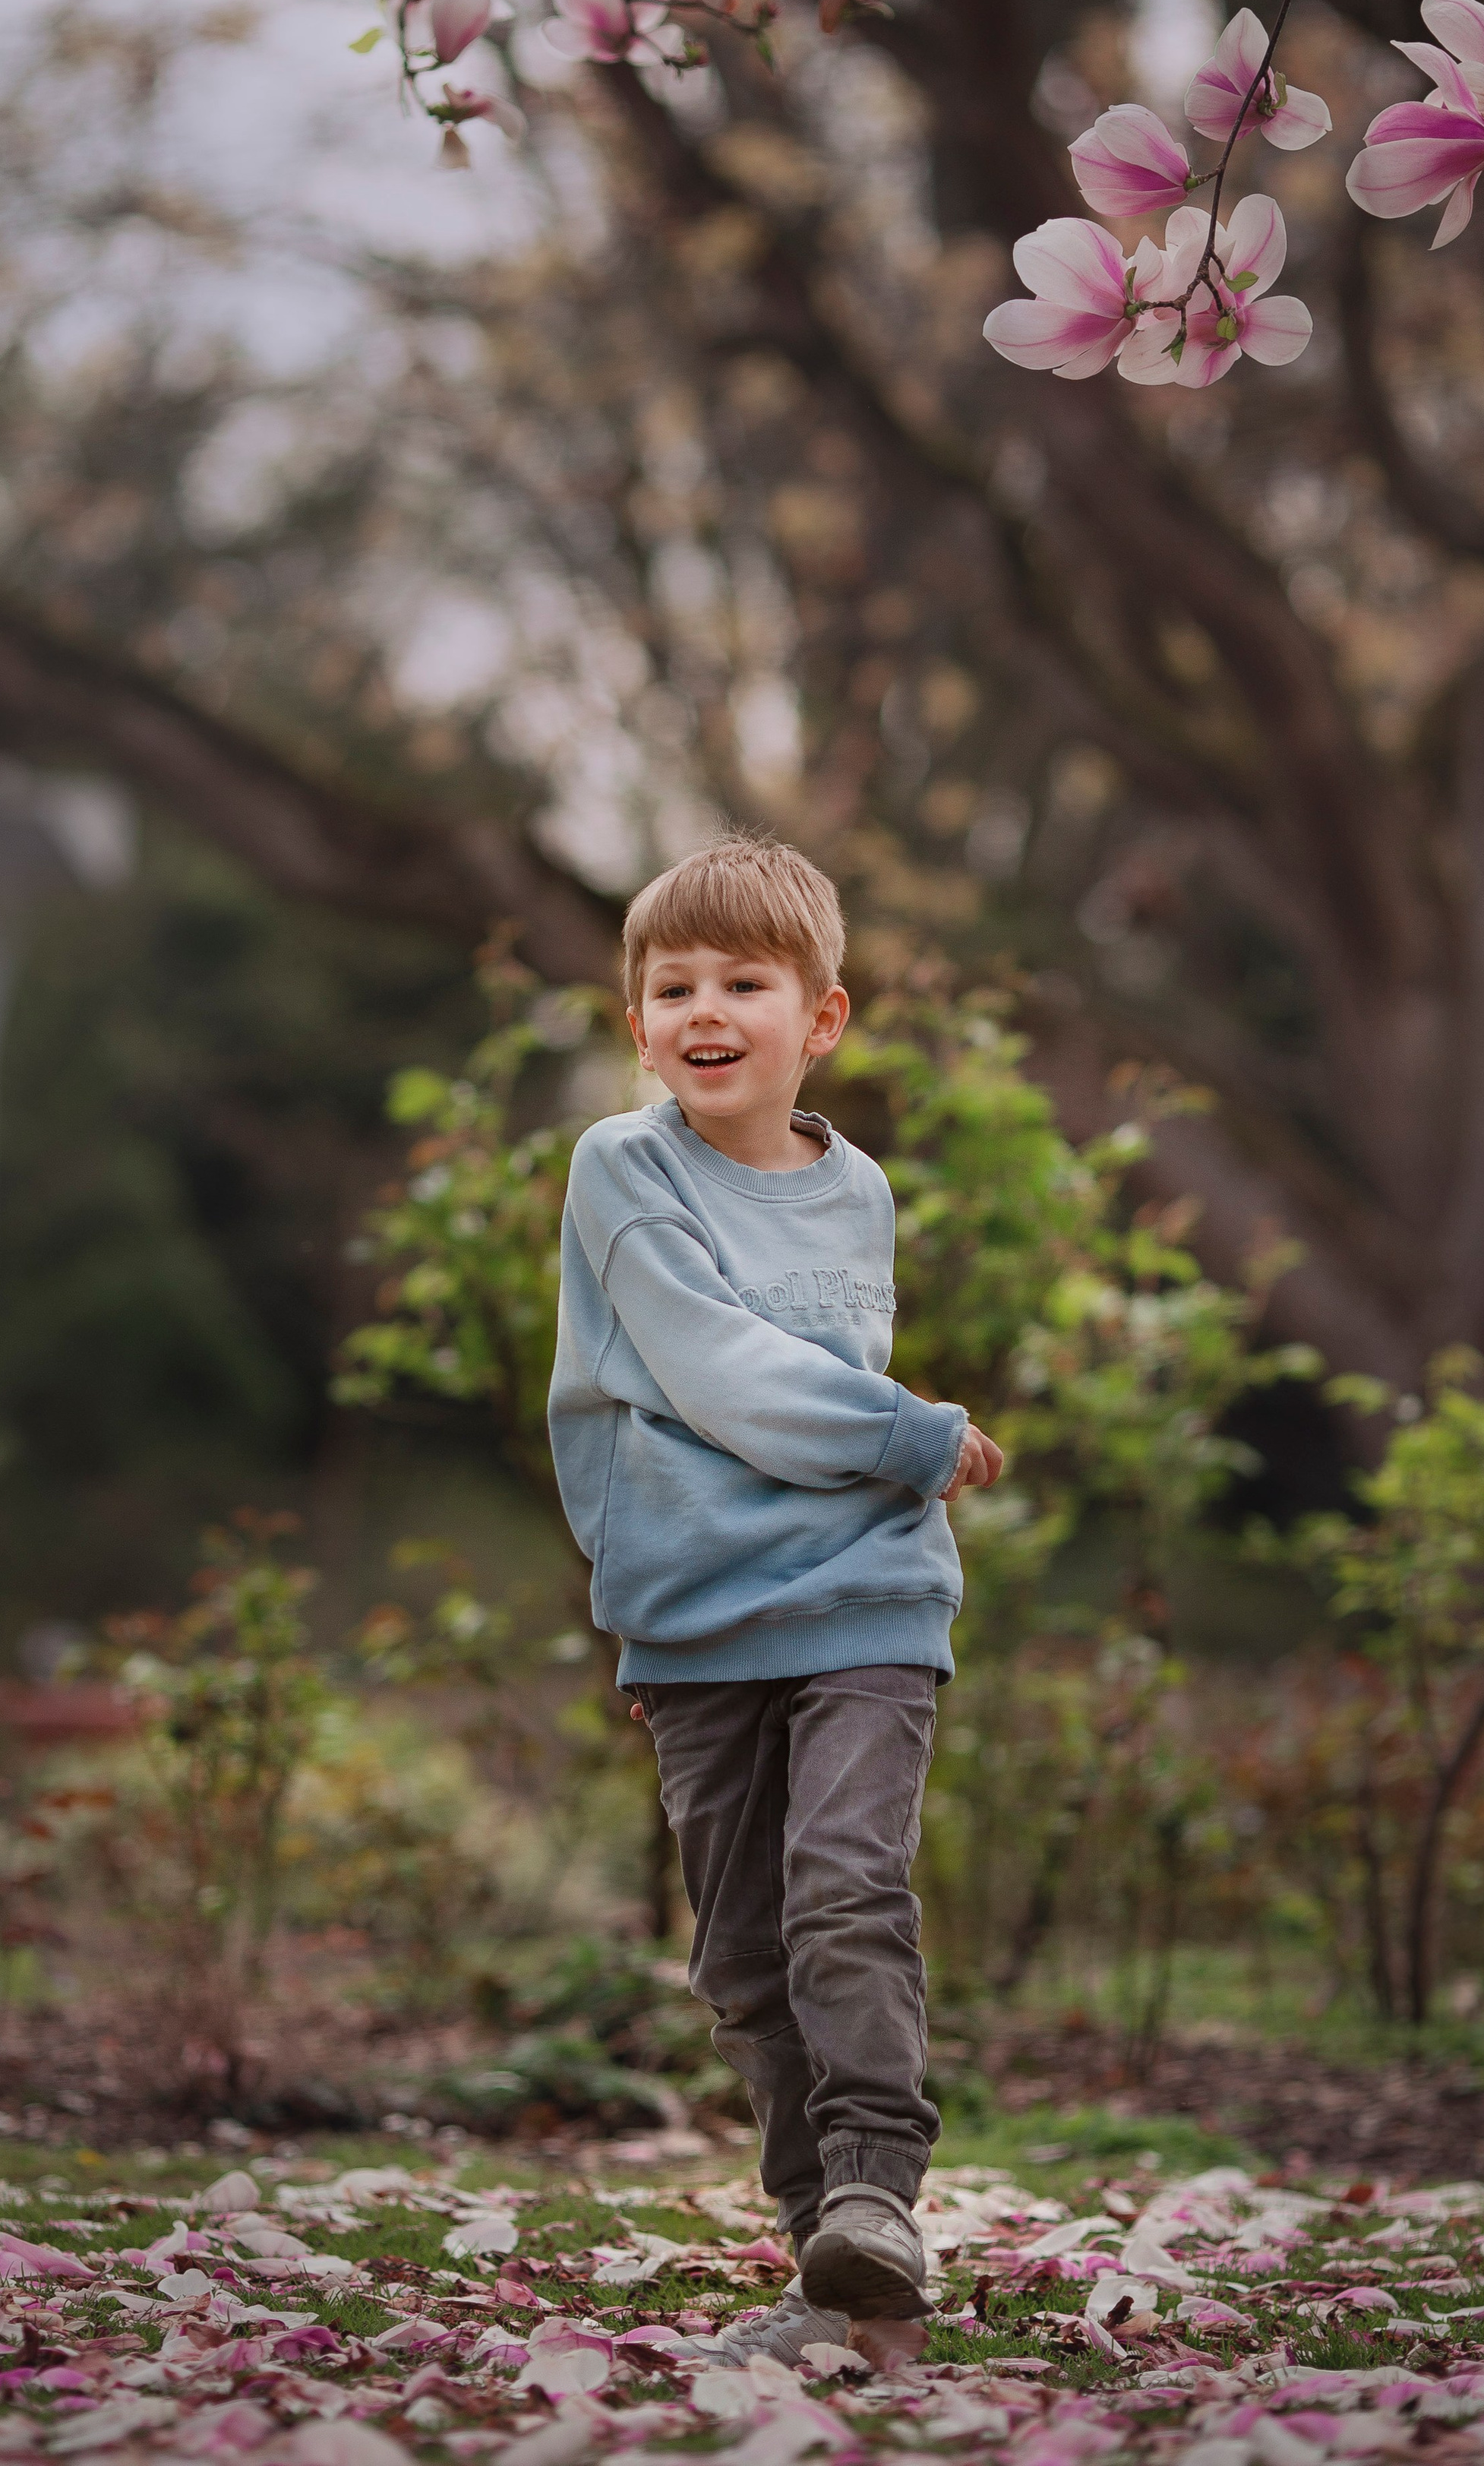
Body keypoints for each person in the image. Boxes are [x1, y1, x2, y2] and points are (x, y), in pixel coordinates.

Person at [548, 833, 1002, 2367]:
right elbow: (717, 1371)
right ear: (637, 1023)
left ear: (820, 1018)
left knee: (845, 1890)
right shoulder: (622, 1167)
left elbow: (806, 1387)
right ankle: (831, 2262)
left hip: (869, 1599)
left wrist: (896, 1453)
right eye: (671, 985)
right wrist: (912, 1433)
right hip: (695, 1624)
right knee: (743, 1952)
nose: (703, 1009)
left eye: (743, 980)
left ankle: (876, 2191)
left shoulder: (853, 1186)